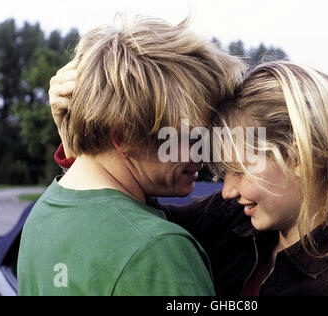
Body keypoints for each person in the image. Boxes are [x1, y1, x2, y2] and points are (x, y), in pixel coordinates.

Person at [50, 58, 328, 295]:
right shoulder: (230, 221)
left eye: (238, 171)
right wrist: (81, 139)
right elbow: (132, 214)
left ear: (300, 157)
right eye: (222, 171)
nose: (226, 190)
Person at [17, 16, 244, 296]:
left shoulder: (44, 213)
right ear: (124, 137)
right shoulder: (156, 249)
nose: (203, 153)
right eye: (191, 137)